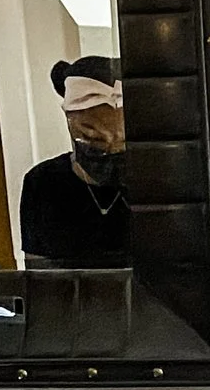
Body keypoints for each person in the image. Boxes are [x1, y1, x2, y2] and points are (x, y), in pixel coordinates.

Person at [15, 57, 129, 267]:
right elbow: (38, 273)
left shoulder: (158, 179)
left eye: (123, 142)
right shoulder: (43, 183)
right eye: (94, 139)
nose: (111, 150)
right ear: (70, 123)